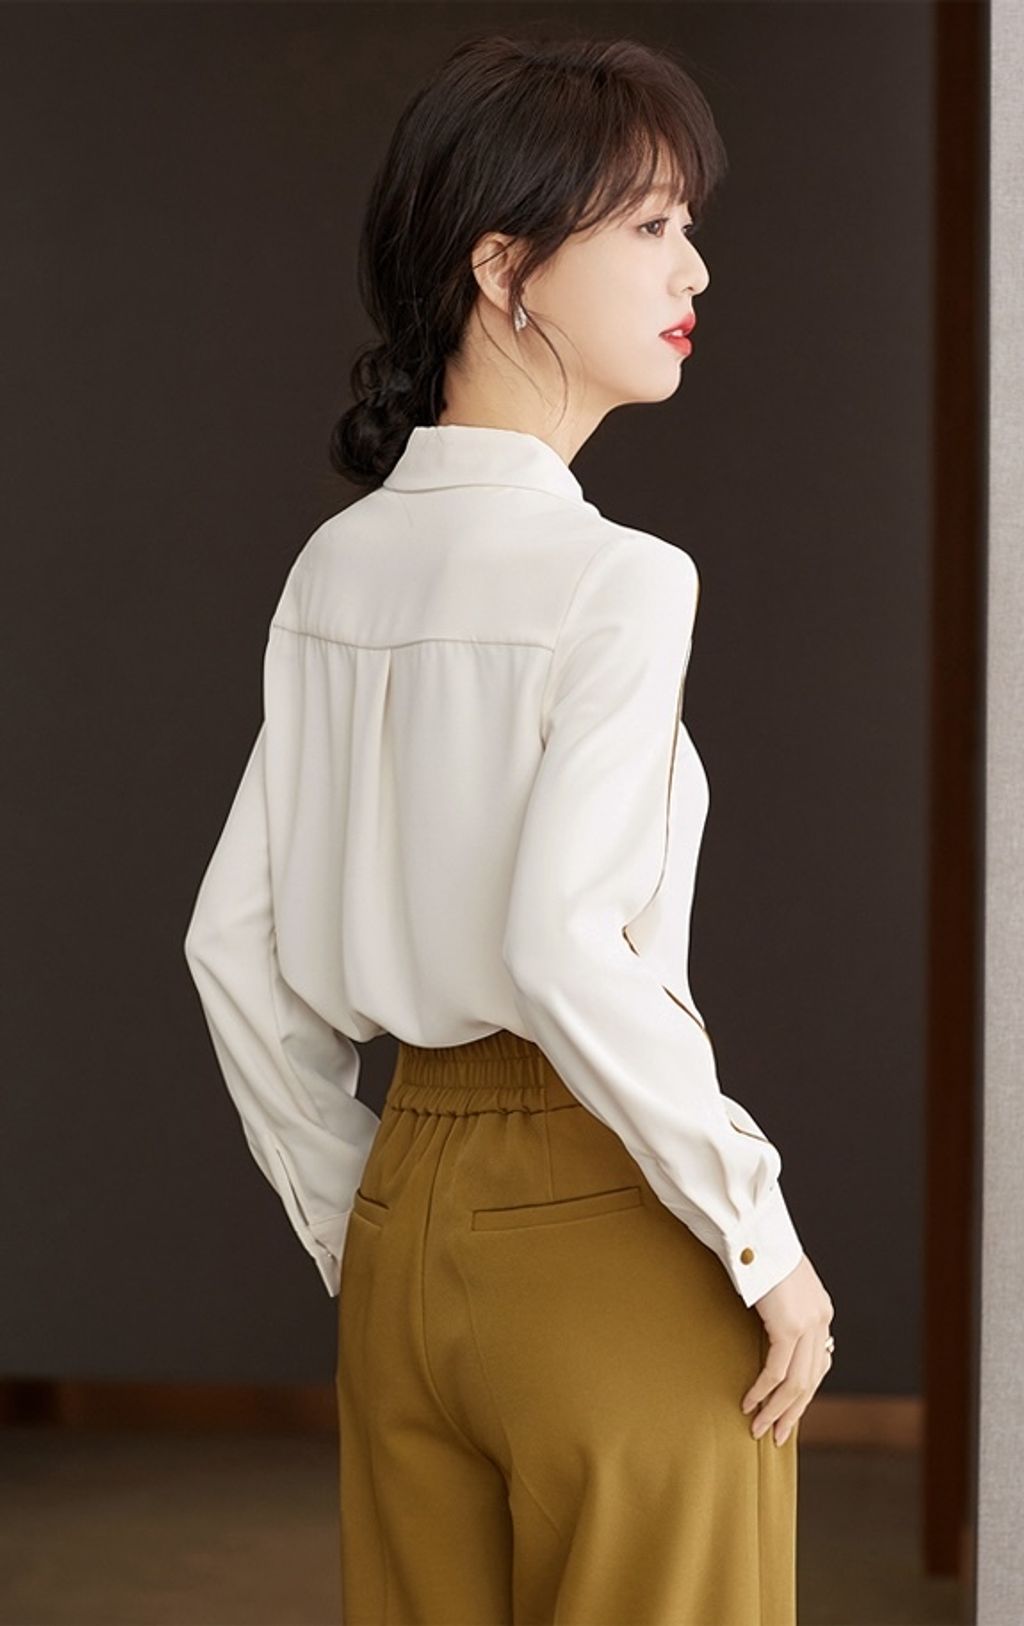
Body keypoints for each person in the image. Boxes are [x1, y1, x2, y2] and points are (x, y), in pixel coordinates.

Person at [183, 29, 835, 1626]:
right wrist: (759, 1234)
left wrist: (363, 1213)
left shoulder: (335, 570)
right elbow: (562, 944)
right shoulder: (624, 580)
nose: (694, 265)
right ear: (502, 268)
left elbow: (228, 944)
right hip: (608, 1219)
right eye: (650, 222)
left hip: (407, 1226)